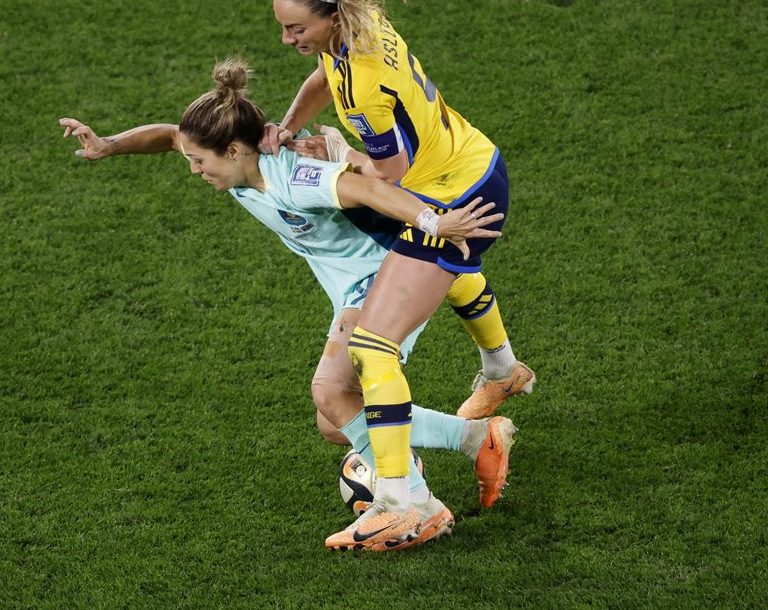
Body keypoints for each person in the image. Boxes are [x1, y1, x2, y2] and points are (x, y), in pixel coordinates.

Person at [60, 58, 518, 551]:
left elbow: (370, 189)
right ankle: (477, 437)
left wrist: (434, 223)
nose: (193, 169)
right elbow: (170, 135)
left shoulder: (294, 177)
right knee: (335, 421)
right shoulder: (236, 165)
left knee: (330, 392)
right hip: (350, 286)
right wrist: (110, 145)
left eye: (199, 161)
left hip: (383, 276)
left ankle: (416, 506)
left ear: (233, 150)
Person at [263, 0, 536, 550]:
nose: (287, 40)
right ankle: (502, 371)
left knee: (372, 346)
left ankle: (400, 506)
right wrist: (288, 125)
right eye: (283, 27)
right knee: (425, 280)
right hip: (468, 163)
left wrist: (340, 154)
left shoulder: (362, 84)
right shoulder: (359, 25)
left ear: (329, 17)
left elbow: (390, 171)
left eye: (296, 29)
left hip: (454, 200)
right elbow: (324, 76)